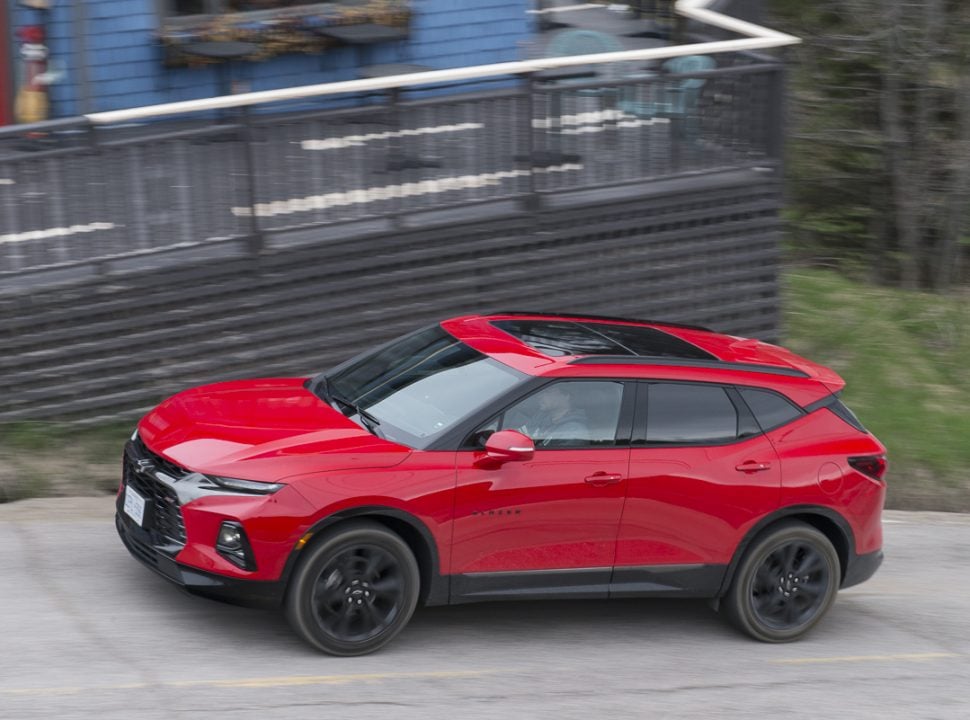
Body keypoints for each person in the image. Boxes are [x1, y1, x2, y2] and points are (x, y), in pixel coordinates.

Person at [507, 384, 588, 447]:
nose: (539, 396)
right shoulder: (541, 416)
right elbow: (519, 435)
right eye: (541, 392)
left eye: (548, 392)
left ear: (566, 395)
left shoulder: (574, 431)